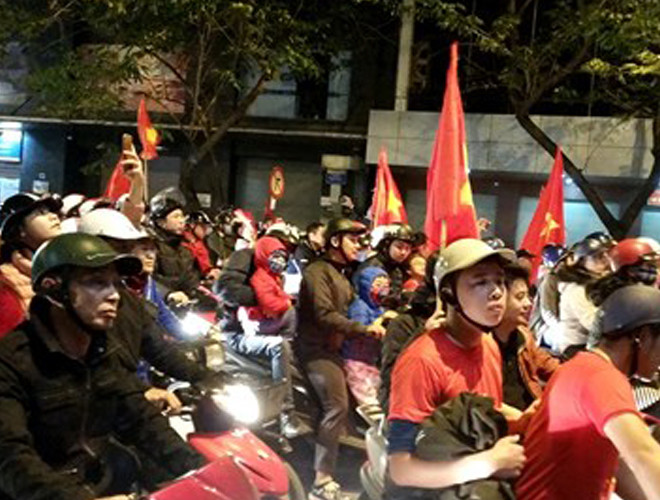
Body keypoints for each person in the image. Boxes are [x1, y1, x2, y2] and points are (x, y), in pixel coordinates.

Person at [0, 233, 204, 500]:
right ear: (54, 289)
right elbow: (11, 457)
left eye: (116, 284)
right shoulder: (12, 361)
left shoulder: (103, 350)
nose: (114, 295)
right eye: (96, 283)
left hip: (100, 482)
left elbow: (141, 418)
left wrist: (203, 469)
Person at [387, 238, 526, 496]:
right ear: (449, 293)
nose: (497, 292)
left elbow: (489, 409)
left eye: (499, 281)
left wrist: (530, 419)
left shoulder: (488, 345)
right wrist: (486, 464)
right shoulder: (422, 361)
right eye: (480, 282)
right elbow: (400, 469)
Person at [516, 284, 660, 500]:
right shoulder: (601, 377)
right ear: (643, 337)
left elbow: (620, 465)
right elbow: (642, 453)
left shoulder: (584, 367)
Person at [295, 217, 386, 500]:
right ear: (335, 241)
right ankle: (321, 479)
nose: (358, 246)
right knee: (336, 406)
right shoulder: (317, 272)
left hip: (337, 349)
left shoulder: (343, 274)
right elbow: (324, 315)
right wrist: (363, 329)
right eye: (353, 240)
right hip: (317, 350)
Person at [233, 232, 307, 438]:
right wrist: (286, 303)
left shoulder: (274, 277)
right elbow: (268, 303)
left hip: (267, 324)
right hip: (251, 329)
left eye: (282, 256)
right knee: (280, 345)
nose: (279, 261)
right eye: (275, 256)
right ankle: (286, 413)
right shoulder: (256, 277)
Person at [492, 264, 559, 410]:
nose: (528, 304)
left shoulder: (524, 335)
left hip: (532, 411)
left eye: (528, 296)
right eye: (519, 297)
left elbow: (549, 366)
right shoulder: (482, 344)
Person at [0, 193, 62, 337]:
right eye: (41, 213)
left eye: (51, 211)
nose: (53, 216)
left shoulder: (69, 266)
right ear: (19, 230)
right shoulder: (6, 279)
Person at [343, 267, 396, 407]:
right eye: (378, 284)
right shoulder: (359, 307)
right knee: (368, 400)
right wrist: (380, 321)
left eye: (386, 285)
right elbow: (359, 329)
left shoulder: (379, 307)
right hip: (356, 360)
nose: (383, 289)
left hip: (371, 360)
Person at [556, 234, 614, 356]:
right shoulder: (576, 289)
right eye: (598, 256)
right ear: (582, 261)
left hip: (594, 341)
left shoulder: (600, 282)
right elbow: (592, 323)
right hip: (576, 345)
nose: (605, 260)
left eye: (607, 255)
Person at [149, 192, 201, 303]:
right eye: (176, 216)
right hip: (159, 304)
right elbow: (148, 280)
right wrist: (168, 294)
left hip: (184, 304)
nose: (181, 221)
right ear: (161, 222)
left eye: (182, 216)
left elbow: (191, 280)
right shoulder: (152, 247)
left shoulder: (185, 251)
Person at [357, 223, 420, 310]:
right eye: (399, 247)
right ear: (386, 245)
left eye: (407, 248)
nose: (403, 252)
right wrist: (402, 297)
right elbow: (372, 301)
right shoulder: (371, 268)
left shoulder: (396, 268)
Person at [182, 210, 221, 283]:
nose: (205, 230)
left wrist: (212, 270)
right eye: (202, 226)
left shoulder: (199, 242)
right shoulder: (183, 244)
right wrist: (206, 276)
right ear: (192, 225)